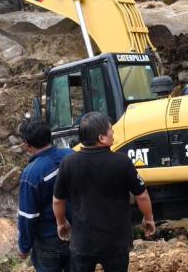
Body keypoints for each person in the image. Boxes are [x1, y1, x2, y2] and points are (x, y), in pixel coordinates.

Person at [53, 112, 156, 272]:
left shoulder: (68, 163)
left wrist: (61, 223)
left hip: (83, 242)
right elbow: (141, 195)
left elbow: (58, 200)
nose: (113, 132)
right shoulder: (122, 162)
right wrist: (148, 218)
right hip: (116, 242)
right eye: (110, 129)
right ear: (101, 138)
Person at [18, 119, 74, 272]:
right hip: (77, 235)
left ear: (28, 145)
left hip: (48, 242)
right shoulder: (71, 156)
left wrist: (24, 247)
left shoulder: (31, 175)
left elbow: (28, 216)